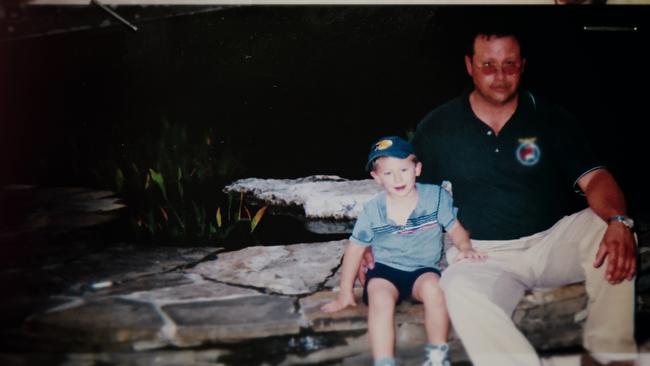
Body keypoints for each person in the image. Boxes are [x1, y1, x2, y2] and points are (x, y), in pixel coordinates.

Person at [361, 25, 638, 366]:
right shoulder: (439, 126)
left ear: (522, 65)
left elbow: (595, 178)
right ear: (469, 66)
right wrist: (373, 244)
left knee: (609, 230)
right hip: (483, 256)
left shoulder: (550, 117)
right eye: (488, 66)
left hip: (550, 241)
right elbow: (407, 194)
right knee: (457, 287)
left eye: (509, 65)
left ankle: (609, 355)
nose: (500, 76)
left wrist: (618, 220)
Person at [321, 135, 485, 366]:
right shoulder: (373, 210)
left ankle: (437, 355)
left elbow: (455, 228)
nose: (397, 178)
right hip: (385, 271)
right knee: (380, 299)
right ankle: (384, 361)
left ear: (417, 169)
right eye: (388, 173)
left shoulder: (436, 197)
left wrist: (465, 247)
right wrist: (345, 291)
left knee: (435, 290)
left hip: (423, 269)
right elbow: (355, 249)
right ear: (376, 178)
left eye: (404, 169)